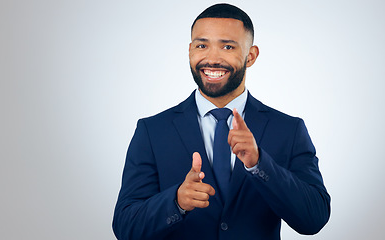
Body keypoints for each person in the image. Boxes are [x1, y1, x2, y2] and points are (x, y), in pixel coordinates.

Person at [112, 3, 330, 240]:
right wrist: (176, 202)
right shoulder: (152, 131)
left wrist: (259, 164)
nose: (212, 58)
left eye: (227, 46)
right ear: (190, 51)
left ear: (251, 55)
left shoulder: (288, 130)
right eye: (202, 45)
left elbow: (314, 218)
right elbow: (126, 228)